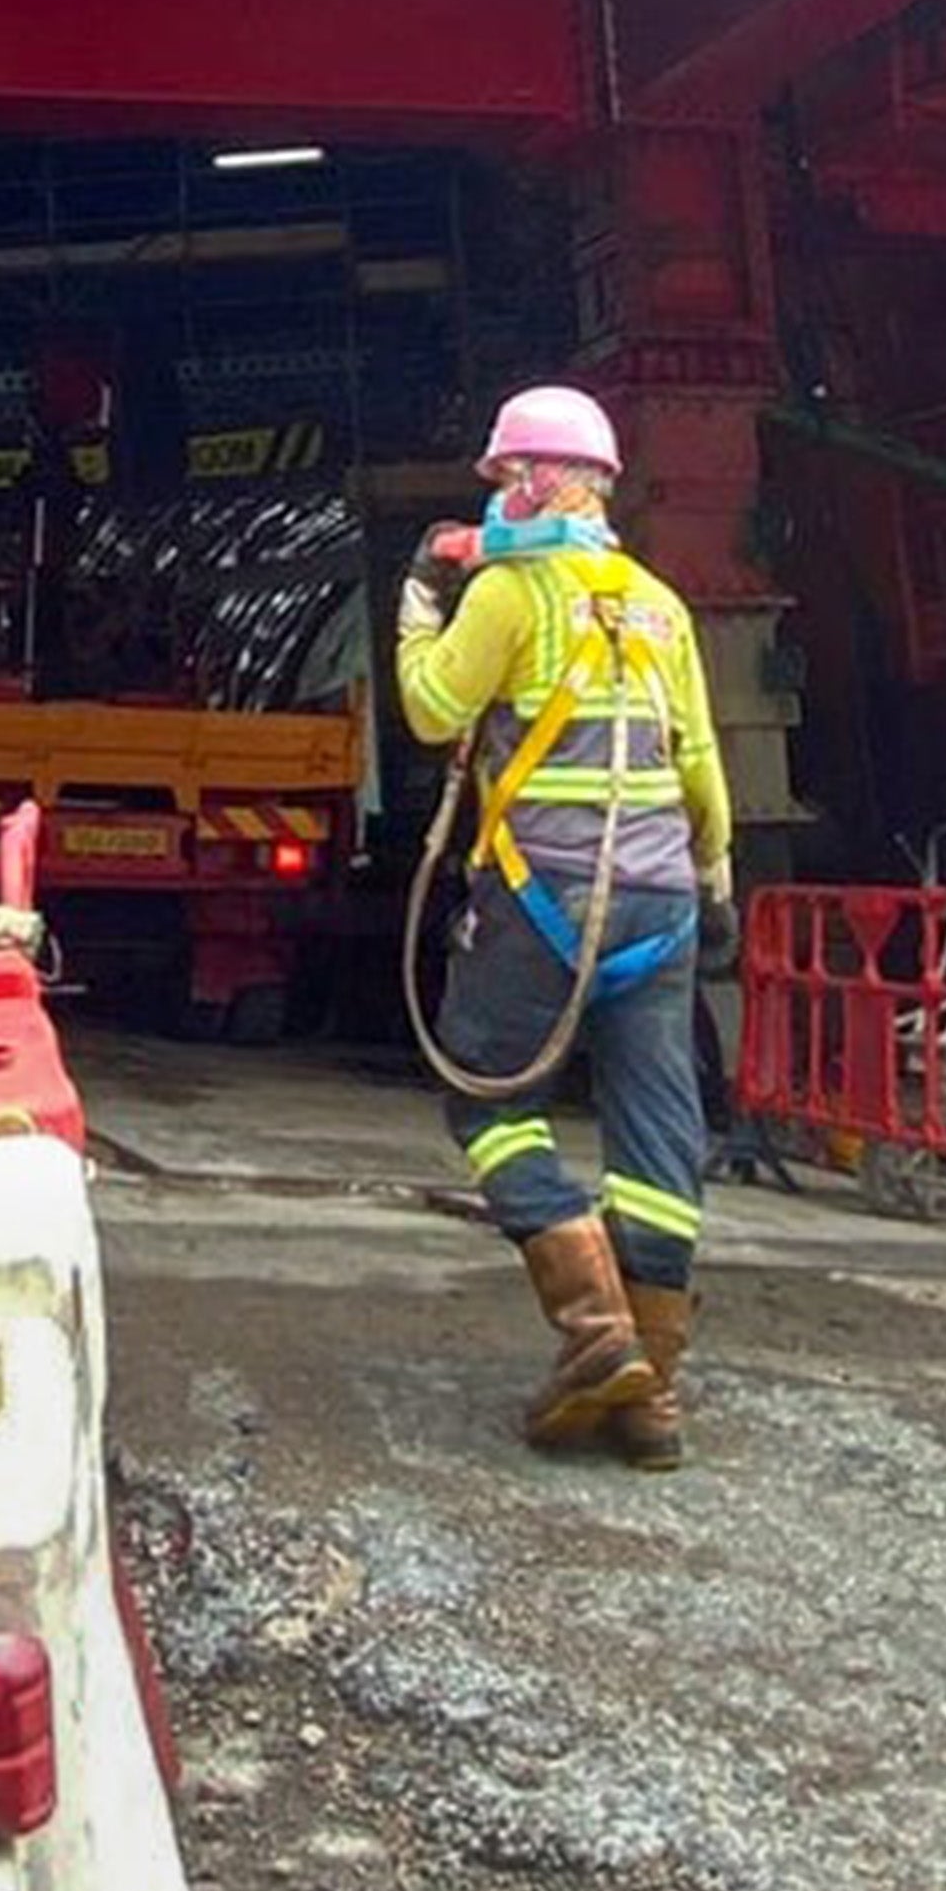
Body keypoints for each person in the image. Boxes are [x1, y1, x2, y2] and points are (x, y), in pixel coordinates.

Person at [395, 383, 732, 1467]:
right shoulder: (660, 603)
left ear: (536, 479)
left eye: (503, 478)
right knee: (656, 1135)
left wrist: (417, 614)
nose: (497, 496)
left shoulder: (510, 592)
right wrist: (716, 871)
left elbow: (435, 712)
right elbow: (698, 764)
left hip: (549, 899)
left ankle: (594, 1331)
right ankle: (653, 1392)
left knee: (487, 1093)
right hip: (664, 902)